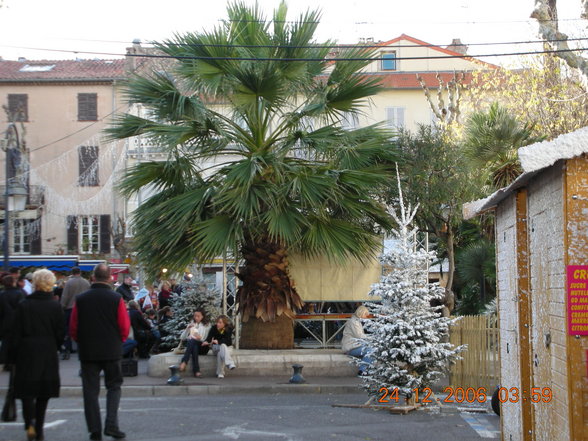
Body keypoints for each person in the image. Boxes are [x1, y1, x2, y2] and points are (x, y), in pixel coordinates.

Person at [70, 264, 130, 441]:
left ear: (93, 278)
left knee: (90, 391)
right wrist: (119, 341)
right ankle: (111, 424)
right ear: (110, 278)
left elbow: (73, 327)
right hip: (111, 348)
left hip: (88, 350)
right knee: (114, 387)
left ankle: (94, 430)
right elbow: (124, 326)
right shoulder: (116, 298)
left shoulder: (81, 299)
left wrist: (81, 341)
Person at [7, 269, 64, 441]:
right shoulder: (55, 306)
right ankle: (39, 428)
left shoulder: (24, 305)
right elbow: (60, 333)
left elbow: (15, 332)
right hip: (47, 350)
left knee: (26, 390)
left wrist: (12, 355)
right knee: (43, 392)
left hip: (27, 350)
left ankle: (29, 422)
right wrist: (56, 345)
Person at [60, 267, 90, 360]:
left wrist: (62, 306)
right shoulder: (86, 282)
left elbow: (65, 296)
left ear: (72, 273)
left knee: (68, 329)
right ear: (80, 272)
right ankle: (83, 347)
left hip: (71, 308)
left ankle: (68, 349)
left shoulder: (69, 283)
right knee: (83, 329)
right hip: (83, 309)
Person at [341, 305, 373, 376]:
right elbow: (360, 336)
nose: (366, 317)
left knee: (372, 350)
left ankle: (366, 369)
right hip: (350, 347)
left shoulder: (356, 321)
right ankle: (362, 370)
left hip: (354, 346)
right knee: (371, 351)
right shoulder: (354, 322)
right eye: (365, 315)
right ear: (361, 313)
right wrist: (372, 338)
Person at [178, 310, 211, 377]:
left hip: (203, 347)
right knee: (194, 345)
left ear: (202, 317)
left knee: (192, 341)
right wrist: (187, 329)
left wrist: (198, 337)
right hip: (194, 345)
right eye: (195, 316)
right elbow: (183, 338)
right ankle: (197, 371)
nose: (196, 318)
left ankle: (184, 361)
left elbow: (205, 339)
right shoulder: (192, 324)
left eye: (198, 316)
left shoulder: (207, 325)